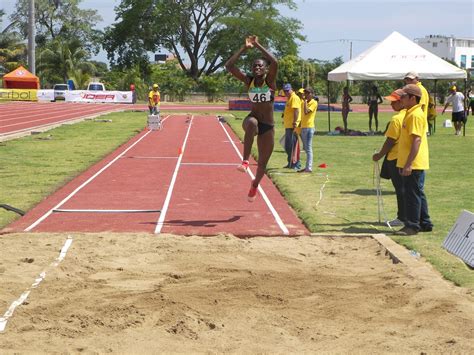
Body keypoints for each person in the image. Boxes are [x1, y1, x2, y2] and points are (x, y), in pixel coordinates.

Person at [225, 35, 278, 202]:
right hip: (252, 119)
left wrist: (258, 45)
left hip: (268, 126)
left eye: (260, 65)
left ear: (265, 69)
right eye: (254, 65)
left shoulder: (269, 82)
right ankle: (245, 161)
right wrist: (244, 48)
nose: (256, 68)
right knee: (252, 122)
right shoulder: (249, 82)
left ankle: (255, 184)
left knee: (262, 163)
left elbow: (275, 62)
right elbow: (229, 66)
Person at [394, 84, 433, 236]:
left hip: (414, 163)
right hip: (411, 161)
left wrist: (408, 163)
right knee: (417, 192)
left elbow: (416, 141)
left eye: (403, 96)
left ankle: (412, 225)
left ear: (412, 98)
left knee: (411, 194)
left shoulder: (415, 115)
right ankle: (425, 222)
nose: (400, 99)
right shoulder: (410, 113)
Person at [372, 89, 406, 227]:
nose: (391, 105)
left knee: (400, 189)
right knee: (406, 189)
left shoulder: (397, 119)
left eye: (394, 102)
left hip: (396, 158)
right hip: (406, 157)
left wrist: (379, 155)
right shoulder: (410, 116)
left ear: (401, 102)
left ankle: (402, 217)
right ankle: (408, 217)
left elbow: (390, 141)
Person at [282, 83, 302, 170]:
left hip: (292, 126)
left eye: (287, 90)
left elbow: (296, 111)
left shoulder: (294, 97)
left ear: (291, 89)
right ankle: (290, 162)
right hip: (288, 125)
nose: (286, 92)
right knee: (288, 146)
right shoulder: (289, 98)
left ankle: (296, 164)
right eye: (285, 91)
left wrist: (294, 122)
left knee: (292, 145)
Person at [298, 87, 318, 173]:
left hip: (309, 127)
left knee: (308, 148)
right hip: (303, 127)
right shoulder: (304, 102)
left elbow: (306, 112)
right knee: (306, 148)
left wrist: (305, 102)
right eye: (305, 93)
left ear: (312, 94)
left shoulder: (314, 102)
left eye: (308, 93)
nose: (306, 95)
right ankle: (307, 167)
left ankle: (309, 168)